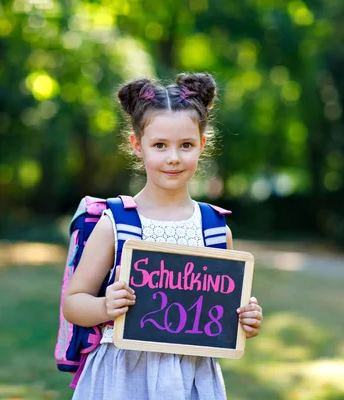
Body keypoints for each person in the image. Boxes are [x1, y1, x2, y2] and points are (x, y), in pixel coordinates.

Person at [62, 72, 263, 399]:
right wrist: (104, 307)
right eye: (160, 145)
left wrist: (246, 320)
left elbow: (220, 315)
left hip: (192, 378)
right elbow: (74, 303)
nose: (173, 157)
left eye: (186, 145)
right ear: (137, 145)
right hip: (122, 376)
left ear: (202, 145)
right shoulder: (117, 222)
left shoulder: (214, 229)